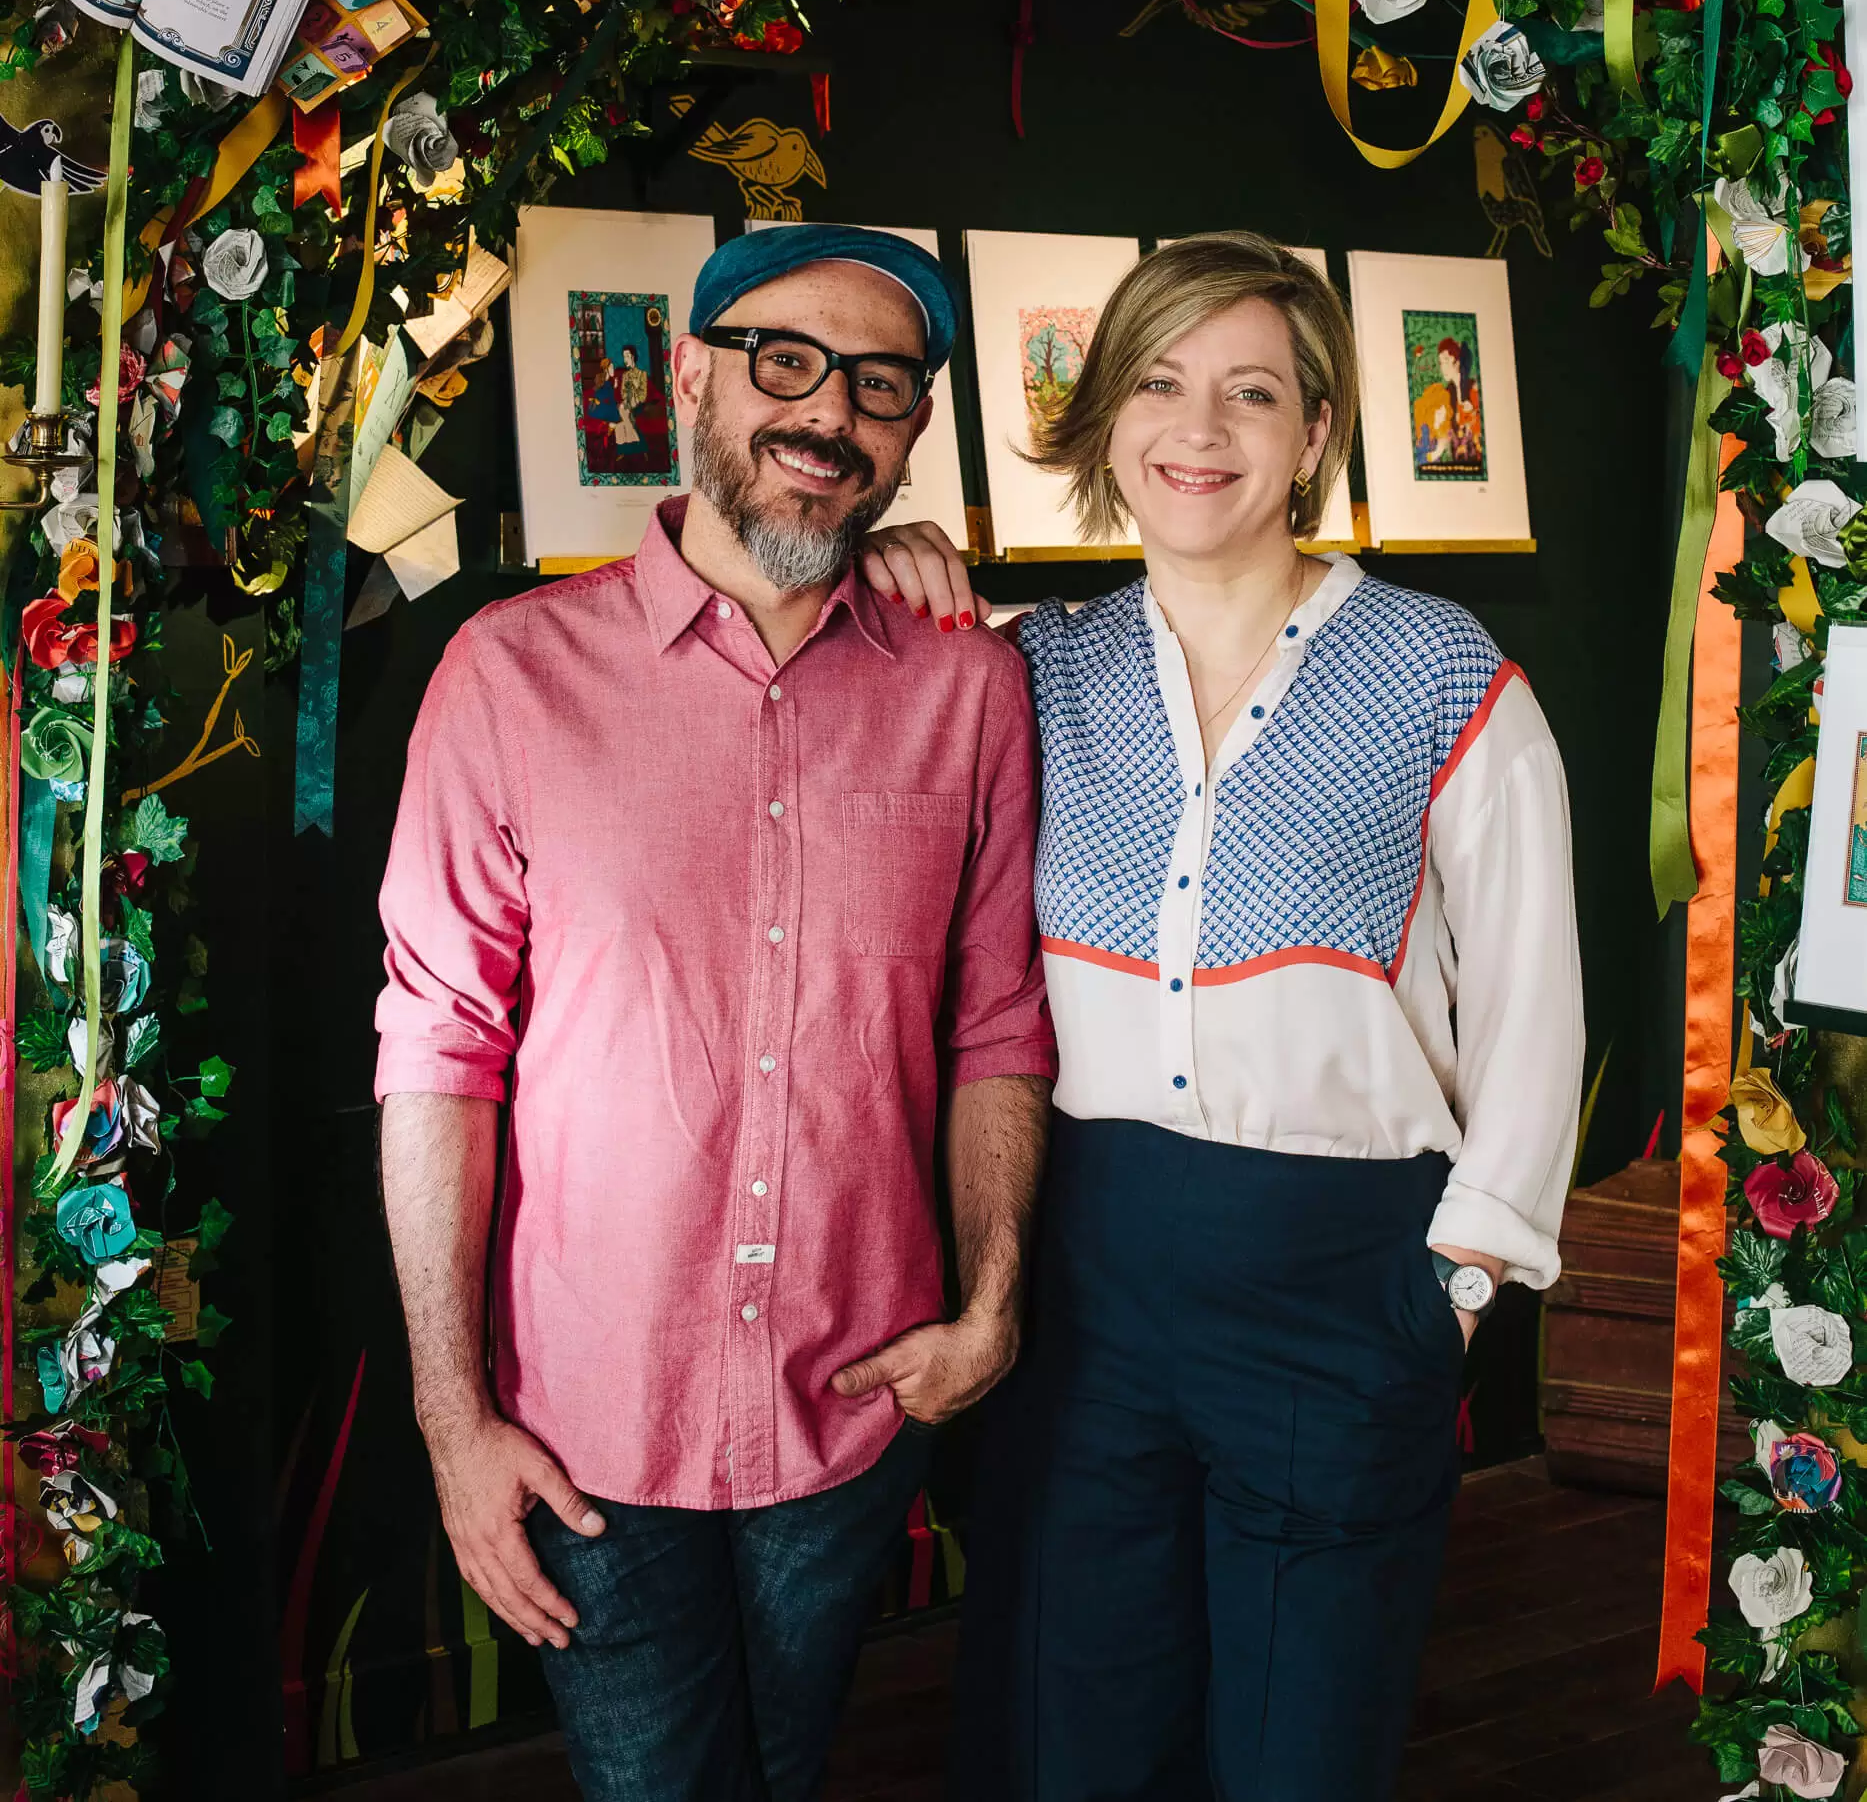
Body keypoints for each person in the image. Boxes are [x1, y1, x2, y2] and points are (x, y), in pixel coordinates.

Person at [860, 234, 1584, 1802]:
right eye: (1162, 383)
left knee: (1296, 1752)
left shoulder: (1438, 675)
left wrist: (1457, 1286)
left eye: (1251, 392)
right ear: (1109, 417)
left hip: (1344, 1283)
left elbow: (1537, 1008)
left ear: (1314, 432)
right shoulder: (1026, 674)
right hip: (1087, 1284)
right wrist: (884, 557)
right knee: (1075, 1739)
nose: (1200, 429)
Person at [375, 224, 1056, 1802]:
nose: (826, 413)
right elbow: (438, 1055)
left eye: (879, 385)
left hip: (856, 1401)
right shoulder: (508, 673)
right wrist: (448, 1416)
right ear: (688, 372)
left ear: (909, 432)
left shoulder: (968, 689)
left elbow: (996, 1024)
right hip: (585, 1426)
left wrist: (995, 1303)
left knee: (792, 1766)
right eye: (786, 361)